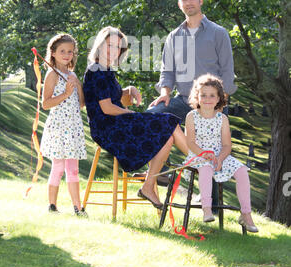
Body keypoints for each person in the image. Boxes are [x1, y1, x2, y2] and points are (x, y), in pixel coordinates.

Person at [83, 26, 190, 210]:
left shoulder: (106, 71)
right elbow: (107, 108)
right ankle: (199, 159)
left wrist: (129, 89)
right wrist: (131, 114)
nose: (113, 51)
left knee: (168, 135)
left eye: (118, 47)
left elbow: (113, 97)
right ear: (99, 46)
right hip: (107, 128)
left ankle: (148, 186)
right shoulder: (96, 70)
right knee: (169, 121)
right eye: (110, 45)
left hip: (116, 123)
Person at [148, 0, 237, 200]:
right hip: (183, 99)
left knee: (213, 148)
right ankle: (156, 171)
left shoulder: (218, 33)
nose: (188, 3)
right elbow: (167, 71)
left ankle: (211, 204)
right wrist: (165, 92)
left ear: (200, 0)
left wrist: (219, 102)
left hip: (212, 102)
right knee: (152, 117)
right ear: (179, 5)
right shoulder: (173, 37)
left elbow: (227, 70)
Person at [184, 73, 258, 232]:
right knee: (205, 169)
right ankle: (207, 208)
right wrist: (205, 154)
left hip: (220, 155)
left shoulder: (222, 118)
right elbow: (190, 142)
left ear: (219, 98)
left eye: (212, 95)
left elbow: (226, 145)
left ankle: (246, 214)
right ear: (197, 96)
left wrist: (220, 158)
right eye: (203, 95)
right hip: (198, 155)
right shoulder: (191, 116)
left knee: (242, 171)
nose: (207, 98)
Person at [40, 33, 88, 217]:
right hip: (59, 127)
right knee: (58, 167)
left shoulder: (72, 74)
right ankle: (52, 206)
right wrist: (66, 94)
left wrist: (77, 86)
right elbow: (46, 104)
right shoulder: (52, 74)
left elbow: (81, 103)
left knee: (73, 169)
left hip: (73, 128)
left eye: (70, 51)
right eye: (62, 51)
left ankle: (78, 207)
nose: (67, 55)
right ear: (52, 53)